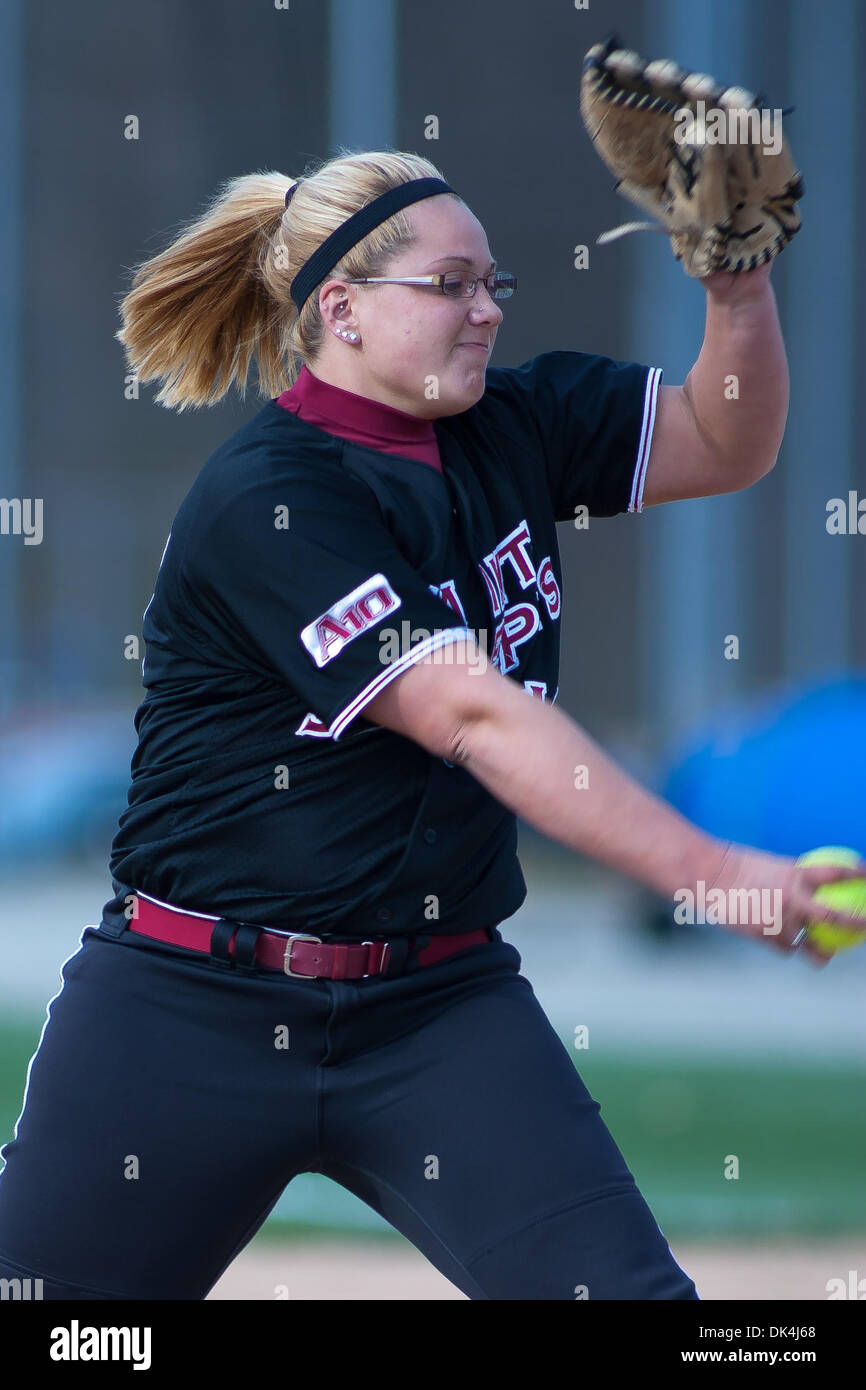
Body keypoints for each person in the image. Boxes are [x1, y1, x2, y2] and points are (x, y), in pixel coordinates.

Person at [0, 150, 863, 1303]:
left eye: (492, 280)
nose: (488, 307)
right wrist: (710, 874)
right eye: (451, 283)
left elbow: (726, 438)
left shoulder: (517, 422)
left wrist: (735, 290)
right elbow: (469, 714)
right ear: (341, 309)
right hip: (190, 1006)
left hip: (436, 1009)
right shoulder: (271, 498)